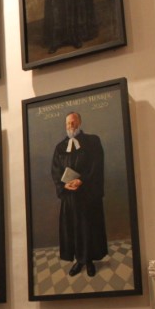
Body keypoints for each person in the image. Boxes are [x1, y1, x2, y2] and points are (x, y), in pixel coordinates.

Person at [51, 112, 108, 277]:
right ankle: (79, 260)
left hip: (88, 195)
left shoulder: (92, 141)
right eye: (68, 124)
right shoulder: (60, 147)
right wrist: (64, 184)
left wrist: (82, 180)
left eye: (73, 123)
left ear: (80, 123)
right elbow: (55, 170)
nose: (71, 126)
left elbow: (97, 165)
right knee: (73, 228)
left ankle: (89, 261)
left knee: (88, 228)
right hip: (70, 197)